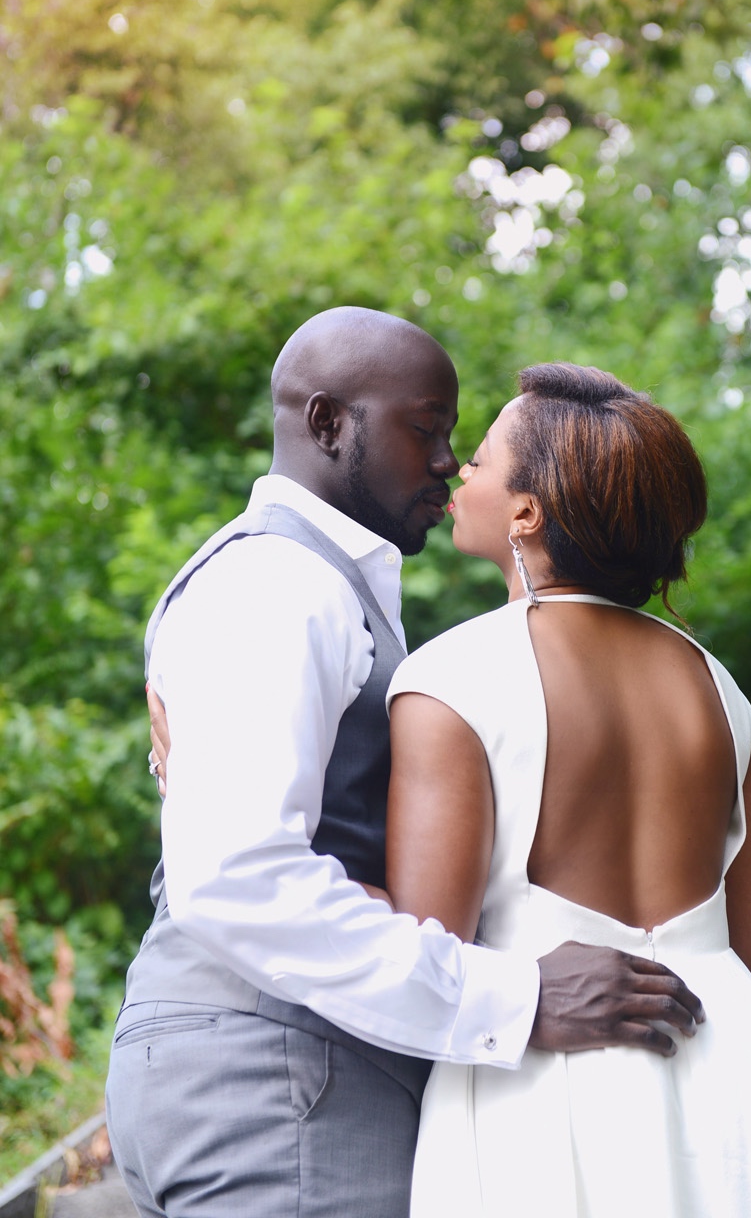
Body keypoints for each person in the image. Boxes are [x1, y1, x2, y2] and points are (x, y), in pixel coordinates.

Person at [106, 310, 707, 1218]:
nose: (446, 460)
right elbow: (234, 876)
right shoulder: (276, 586)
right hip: (277, 1085)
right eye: (424, 428)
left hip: (284, 1075)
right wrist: (518, 994)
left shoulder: (318, 585)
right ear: (326, 423)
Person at [385, 362, 751, 1217]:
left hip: (542, 1087)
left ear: (526, 512)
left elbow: (428, 955)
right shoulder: (716, 685)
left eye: (483, 461)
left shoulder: (448, 680)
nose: (461, 471)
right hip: (730, 1073)